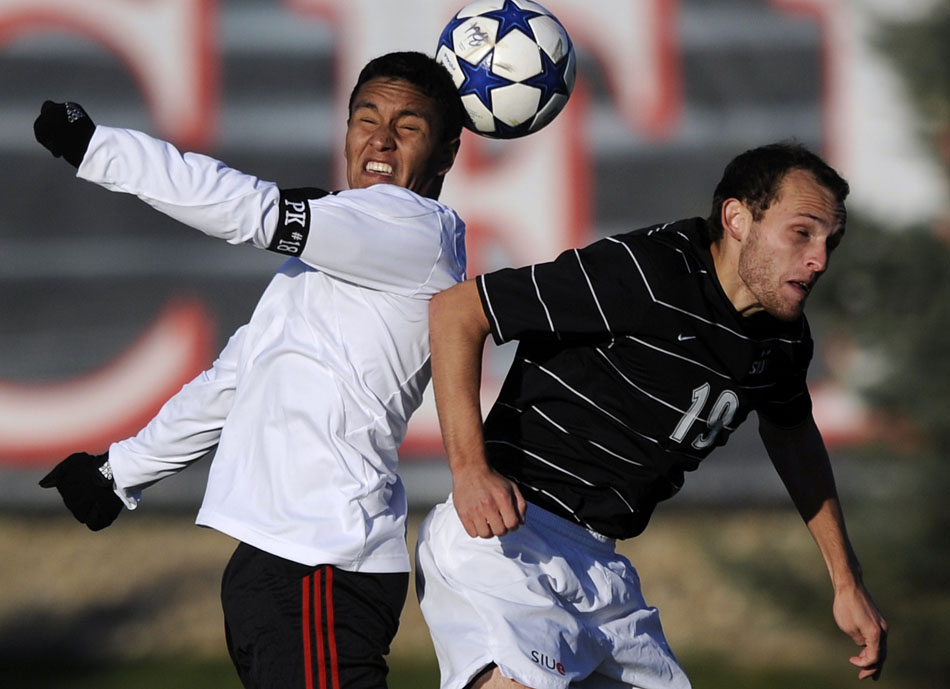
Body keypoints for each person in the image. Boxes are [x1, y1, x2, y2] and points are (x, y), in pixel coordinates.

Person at [35, 50, 466, 689]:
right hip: (277, 565)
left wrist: (99, 149)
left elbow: (252, 210)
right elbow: (235, 380)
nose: (379, 139)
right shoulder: (336, 251)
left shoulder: (416, 229)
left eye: (408, 127)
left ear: (446, 154)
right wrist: (119, 470)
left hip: (322, 560)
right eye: (366, 118)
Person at [416, 142, 888, 689]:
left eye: (832, 241)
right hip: (508, 540)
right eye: (802, 233)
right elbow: (457, 311)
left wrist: (846, 580)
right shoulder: (647, 272)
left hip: (601, 566)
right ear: (737, 219)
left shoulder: (783, 339)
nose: (819, 259)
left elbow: (792, 434)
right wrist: (471, 470)